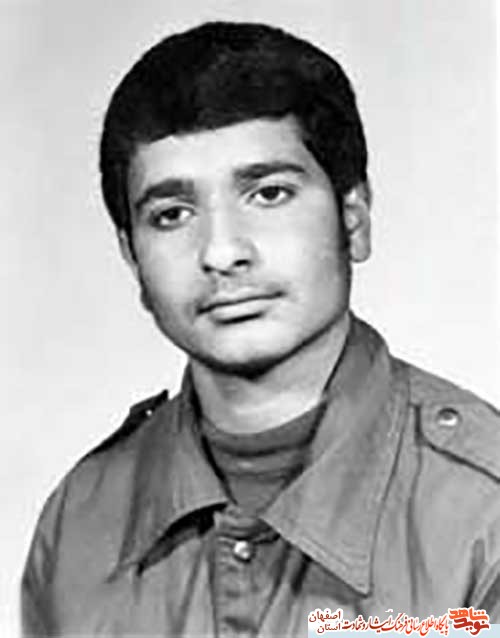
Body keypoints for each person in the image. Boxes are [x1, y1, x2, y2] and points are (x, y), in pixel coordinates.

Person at [21, 21, 500, 637]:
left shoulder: (482, 515)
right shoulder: (80, 522)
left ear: (353, 218)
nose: (222, 252)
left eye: (269, 194)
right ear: (131, 256)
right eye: (173, 214)